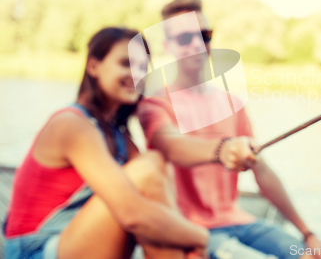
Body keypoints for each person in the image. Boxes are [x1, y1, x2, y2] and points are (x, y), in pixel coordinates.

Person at [2, 27, 254, 259]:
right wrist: (204, 239)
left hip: (71, 244)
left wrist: (186, 240)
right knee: (148, 171)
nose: (136, 75)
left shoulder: (117, 134)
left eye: (143, 67)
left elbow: (155, 195)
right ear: (93, 66)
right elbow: (133, 215)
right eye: (126, 63)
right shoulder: (72, 124)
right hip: (33, 250)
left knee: (154, 166)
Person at [137, 0, 321, 259]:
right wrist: (223, 149)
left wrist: (308, 234)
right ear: (167, 45)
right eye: (184, 38)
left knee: (315, 256)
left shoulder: (232, 103)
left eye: (204, 35)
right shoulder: (155, 103)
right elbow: (172, 147)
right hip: (192, 229)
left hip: (240, 220)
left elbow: (263, 172)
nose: (197, 44)